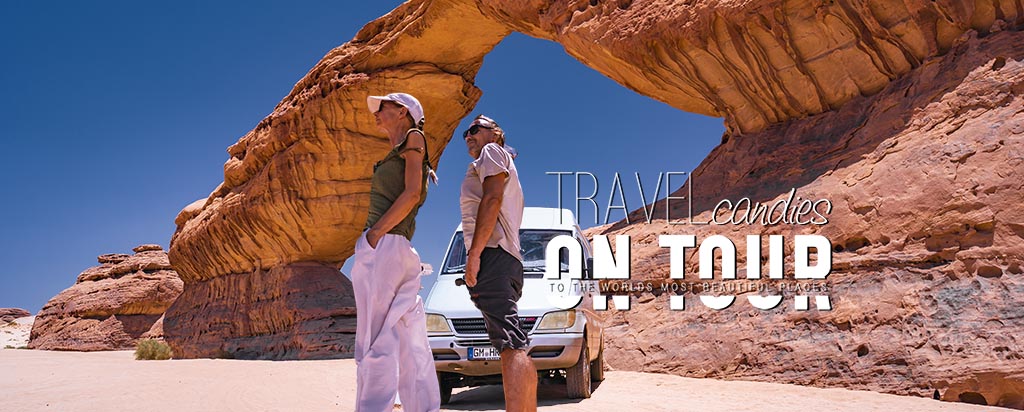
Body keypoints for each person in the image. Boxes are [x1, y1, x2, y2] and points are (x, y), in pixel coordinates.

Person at [351, 92, 440, 412]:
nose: (375, 113)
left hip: (385, 246)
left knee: (375, 337)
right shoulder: (403, 148)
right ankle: (422, 406)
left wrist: (375, 235)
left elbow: (413, 192)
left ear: (402, 111)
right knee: (408, 332)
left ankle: (374, 406)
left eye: (382, 108)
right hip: (397, 247)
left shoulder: (413, 137)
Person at [459, 115, 536, 411]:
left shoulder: (492, 151)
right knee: (513, 342)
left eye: (475, 128)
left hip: (492, 254)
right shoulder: (499, 157)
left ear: (495, 133)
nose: (468, 135)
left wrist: (474, 255)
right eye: (466, 132)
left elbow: (491, 200)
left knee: (509, 345)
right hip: (507, 259)